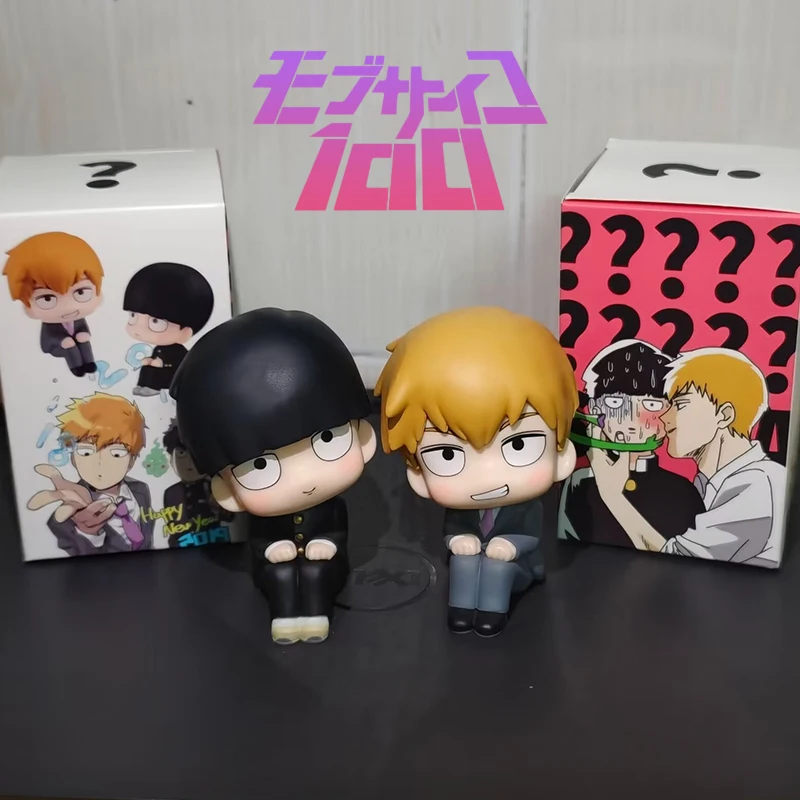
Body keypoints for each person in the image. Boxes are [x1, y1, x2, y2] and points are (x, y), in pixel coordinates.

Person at [170, 308, 376, 645]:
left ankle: (315, 615)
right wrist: (274, 547)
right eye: (261, 466)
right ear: (226, 491)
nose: (305, 479)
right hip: (272, 568)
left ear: (363, 437)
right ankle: (285, 617)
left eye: (327, 439)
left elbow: (336, 528)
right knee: (280, 575)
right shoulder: (262, 517)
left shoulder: (329, 507)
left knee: (316, 571)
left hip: (325, 564)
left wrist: (326, 543)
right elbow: (261, 539)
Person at [375, 306, 578, 638]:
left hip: (518, 567)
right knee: (463, 560)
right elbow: (453, 529)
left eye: (519, 445)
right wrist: (459, 539)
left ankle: (490, 614)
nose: (486, 477)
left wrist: (510, 546)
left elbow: (529, 535)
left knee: (497, 567)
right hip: (472, 561)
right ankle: (462, 610)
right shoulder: (461, 509)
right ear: (418, 474)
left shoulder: (524, 507)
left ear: (562, 456)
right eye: (447, 454)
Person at [590, 347, 785, 567]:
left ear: (724, 415)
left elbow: (678, 556)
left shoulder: (759, 483)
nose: (663, 417)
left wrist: (612, 496)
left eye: (680, 405)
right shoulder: (705, 483)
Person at [558, 340, 705, 548]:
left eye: (651, 404)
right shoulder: (578, 482)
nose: (632, 419)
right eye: (615, 402)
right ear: (594, 408)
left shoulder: (683, 491)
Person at [26, 393, 154, 556]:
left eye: (116, 453)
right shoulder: (64, 518)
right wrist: (89, 533)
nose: (100, 463)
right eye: (86, 452)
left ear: (132, 460)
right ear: (73, 458)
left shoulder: (140, 489)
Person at [3, 232, 104, 377]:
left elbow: (82, 328)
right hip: (56, 347)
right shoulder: (49, 325)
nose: (68, 307)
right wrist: (62, 341)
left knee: (83, 341)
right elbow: (48, 339)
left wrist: (83, 334)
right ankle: (76, 367)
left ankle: (89, 363)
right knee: (70, 347)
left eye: (81, 292)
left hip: (76, 342)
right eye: (47, 299)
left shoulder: (78, 319)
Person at [123, 262, 214, 397]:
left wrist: (162, 364)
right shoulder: (160, 348)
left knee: (155, 371)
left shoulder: (179, 351)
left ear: (185, 332)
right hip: (160, 371)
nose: (138, 329)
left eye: (155, 321)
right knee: (147, 368)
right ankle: (143, 385)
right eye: (133, 315)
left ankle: (153, 387)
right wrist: (150, 360)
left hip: (171, 377)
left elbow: (180, 365)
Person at [162, 418, 234, 547]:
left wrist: (218, 506)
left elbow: (229, 518)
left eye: (195, 453)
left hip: (218, 547)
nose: (190, 462)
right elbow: (176, 527)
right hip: (181, 550)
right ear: (171, 457)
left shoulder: (216, 485)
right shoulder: (171, 492)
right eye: (182, 453)